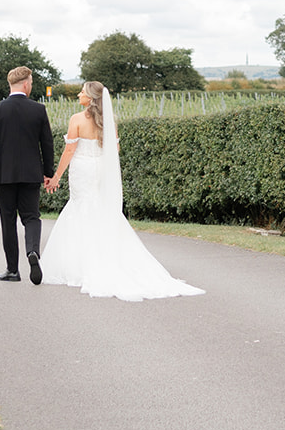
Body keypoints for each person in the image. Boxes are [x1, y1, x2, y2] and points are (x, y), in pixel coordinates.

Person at [38, 81, 204, 301]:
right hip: (100, 169)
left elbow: (69, 150)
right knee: (98, 208)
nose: (78, 94)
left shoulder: (76, 119)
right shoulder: (108, 121)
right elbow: (114, 150)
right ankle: (107, 255)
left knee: (81, 207)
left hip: (82, 168)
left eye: (82, 92)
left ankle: (82, 264)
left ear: (90, 97)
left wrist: (56, 176)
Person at [0, 66, 55, 284]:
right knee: (31, 217)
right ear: (25, 84)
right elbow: (47, 144)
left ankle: (12, 270)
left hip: (4, 175)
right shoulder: (38, 109)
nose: (31, 85)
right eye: (31, 82)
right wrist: (48, 172)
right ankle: (32, 251)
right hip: (32, 174)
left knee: (8, 220)